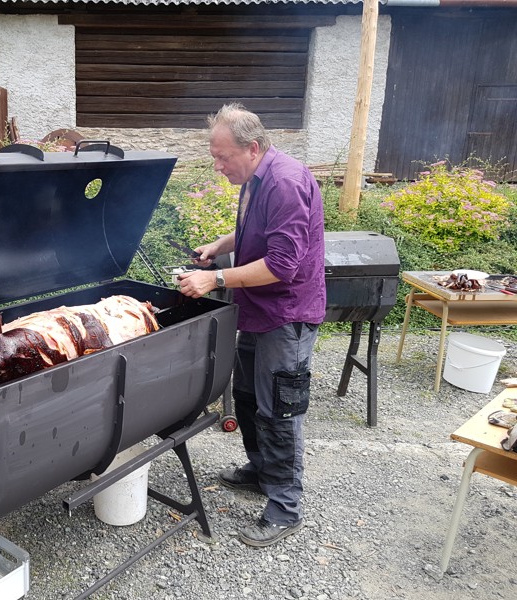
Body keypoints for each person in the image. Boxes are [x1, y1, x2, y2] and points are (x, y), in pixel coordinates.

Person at [176, 103, 325, 547]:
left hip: (287, 315)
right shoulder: (256, 179)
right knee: (245, 397)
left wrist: (216, 278)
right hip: (258, 310)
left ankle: (285, 507)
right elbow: (254, 232)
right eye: (215, 157)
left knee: (279, 409)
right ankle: (261, 471)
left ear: (253, 148)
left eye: (223, 157)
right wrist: (219, 245)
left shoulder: (285, 183)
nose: (218, 166)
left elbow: (281, 264)